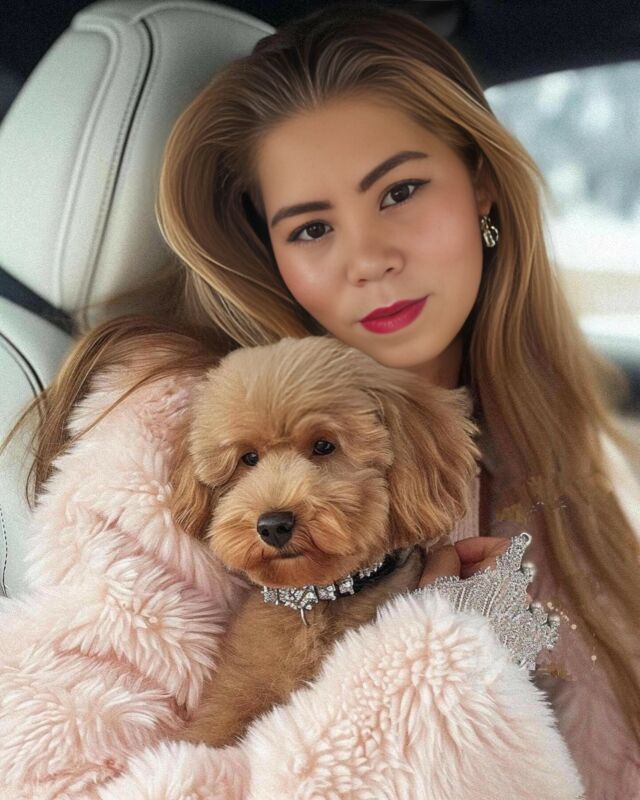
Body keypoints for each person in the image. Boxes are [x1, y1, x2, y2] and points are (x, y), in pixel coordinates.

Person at [1, 2, 638, 797]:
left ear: (480, 185)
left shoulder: (532, 430)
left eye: (400, 191)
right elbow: (51, 777)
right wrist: (416, 671)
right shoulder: (173, 437)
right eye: (310, 228)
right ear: (268, 247)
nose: (368, 257)